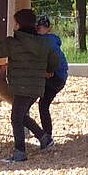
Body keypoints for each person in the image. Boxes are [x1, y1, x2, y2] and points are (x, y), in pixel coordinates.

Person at [0, 8, 60, 162]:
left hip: (21, 87)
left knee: (16, 118)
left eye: (15, 23)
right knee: (21, 115)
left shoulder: (13, 43)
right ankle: (44, 139)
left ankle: (20, 153)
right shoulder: (44, 43)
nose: (14, 26)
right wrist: (49, 70)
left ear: (19, 25)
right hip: (37, 87)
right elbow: (55, 59)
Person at [34, 14, 69, 143]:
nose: (39, 29)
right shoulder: (52, 40)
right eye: (39, 27)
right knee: (43, 105)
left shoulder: (45, 42)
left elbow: (54, 58)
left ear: (47, 29)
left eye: (41, 27)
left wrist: (49, 70)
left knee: (41, 104)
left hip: (55, 77)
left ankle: (46, 136)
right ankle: (46, 134)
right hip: (60, 77)